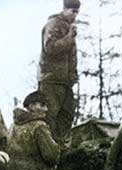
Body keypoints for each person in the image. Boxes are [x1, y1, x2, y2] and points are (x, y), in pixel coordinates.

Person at [38, 0, 80, 141]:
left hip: (65, 82)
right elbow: (50, 47)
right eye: (72, 11)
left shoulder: (68, 26)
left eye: (77, 12)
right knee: (50, 116)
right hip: (51, 79)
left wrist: (73, 75)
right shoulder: (54, 24)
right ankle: (49, 148)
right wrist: (69, 38)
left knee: (67, 115)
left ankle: (60, 149)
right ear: (64, 9)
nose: (75, 15)